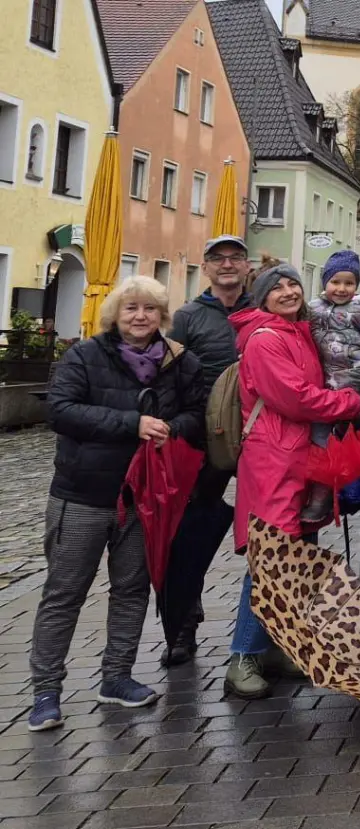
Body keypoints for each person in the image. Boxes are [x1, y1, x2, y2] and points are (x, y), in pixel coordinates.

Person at [29, 277, 207, 730]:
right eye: (131, 308)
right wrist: (133, 424)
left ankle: (117, 677)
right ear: (115, 313)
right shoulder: (85, 355)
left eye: (150, 309)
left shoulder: (179, 362)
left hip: (144, 497)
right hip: (84, 494)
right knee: (65, 593)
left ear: (162, 316)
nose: (140, 317)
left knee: (130, 590)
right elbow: (61, 411)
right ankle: (46, 691)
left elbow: (197, 413)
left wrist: (174, 428)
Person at [226, 265, 360, 700]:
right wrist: (349, 401)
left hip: (296, 455)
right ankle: (242, 657)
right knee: (270, 556)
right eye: (276, 287)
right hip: (274, 456)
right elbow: (296, 398)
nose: (287, 291)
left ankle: (275, 647)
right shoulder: (266, 339)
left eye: (292, 284)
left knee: (296, 555)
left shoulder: (294, 330)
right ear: (261, 298)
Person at [162, 235, 252, 666]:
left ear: (248, 266)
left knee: (269, 531)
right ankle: (183, 624)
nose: (228, 265)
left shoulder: (264, 308)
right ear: (208, 267)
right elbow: (170, 376)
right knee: (191, 530)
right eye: (220, 259)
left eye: (236, 257)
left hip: (257, 437)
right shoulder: (187, 317)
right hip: (204, 435)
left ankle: (267, 635)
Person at [305, 250, 360, 522]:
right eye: (336, 282)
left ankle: (334, 495)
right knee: (319, 442)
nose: (341, 289)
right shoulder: (311, 309)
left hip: (351, 389)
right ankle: (321, 496)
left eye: (349, 283)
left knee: (342, 445)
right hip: (318, 388)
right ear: (325, 282)